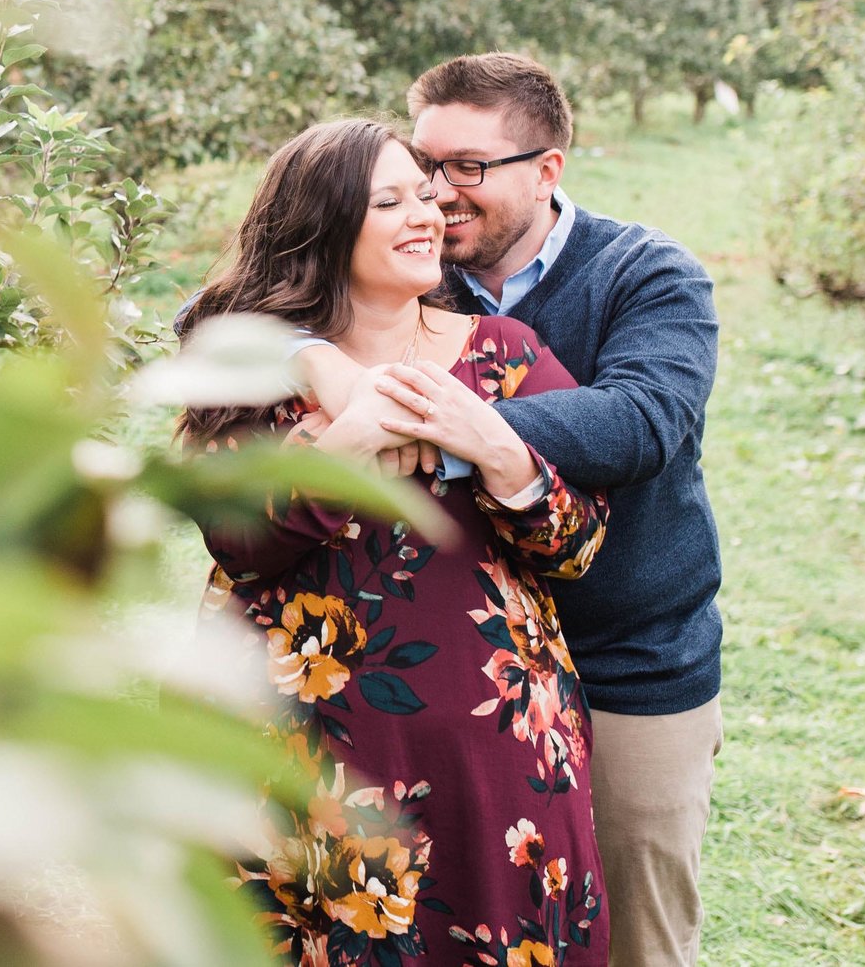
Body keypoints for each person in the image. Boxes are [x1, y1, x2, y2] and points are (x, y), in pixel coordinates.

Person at [307, 54, 724, 967]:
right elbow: (228, 308)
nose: (439, 195)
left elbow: (641, 418)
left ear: (548, 170)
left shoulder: (645, 273)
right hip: (459, 680)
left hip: (624, 659)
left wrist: (455, 425)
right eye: (424, 166)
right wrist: (324, 370)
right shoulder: (416, 267)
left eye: (468, 168)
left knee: (637, 936)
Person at [180, 118, 610, 967]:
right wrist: (354, 436)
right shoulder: (253, 367)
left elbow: (579, 541)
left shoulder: (506, 357)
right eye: (391, 200)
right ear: (325, 224)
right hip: (301, 756)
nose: (427, 213)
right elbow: (236, 538)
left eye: (426, 193)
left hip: (494, 756)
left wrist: (496, 446)